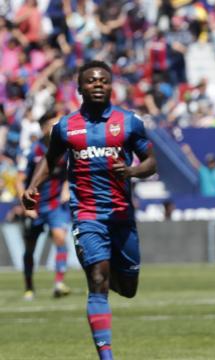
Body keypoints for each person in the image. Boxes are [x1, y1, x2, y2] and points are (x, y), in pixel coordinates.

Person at [21, 60, 157, 360]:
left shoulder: (130, 122)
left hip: (122, 216)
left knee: (129, 287)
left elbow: (150, 162)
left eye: (104, 80)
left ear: (111, 87)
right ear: (80, 88)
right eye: (92, 81)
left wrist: (132, 172)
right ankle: (106, 357)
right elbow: (50, 158)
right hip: (86, 215)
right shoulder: (66, 126)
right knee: (97, 279)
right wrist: (33, 186)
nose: (98, 84)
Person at [16, 110, 71, 300]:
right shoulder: (32, 151)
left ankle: (59, 282)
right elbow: (19, 180)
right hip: (35, 207)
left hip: (56, 204)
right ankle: (29, 286)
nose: (56, 128)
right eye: (52, 124)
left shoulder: (65, 149)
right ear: (42, 128)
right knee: (30, 249)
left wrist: (65, 187)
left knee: (60, 238)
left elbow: (71, 173)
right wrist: (25, 206)